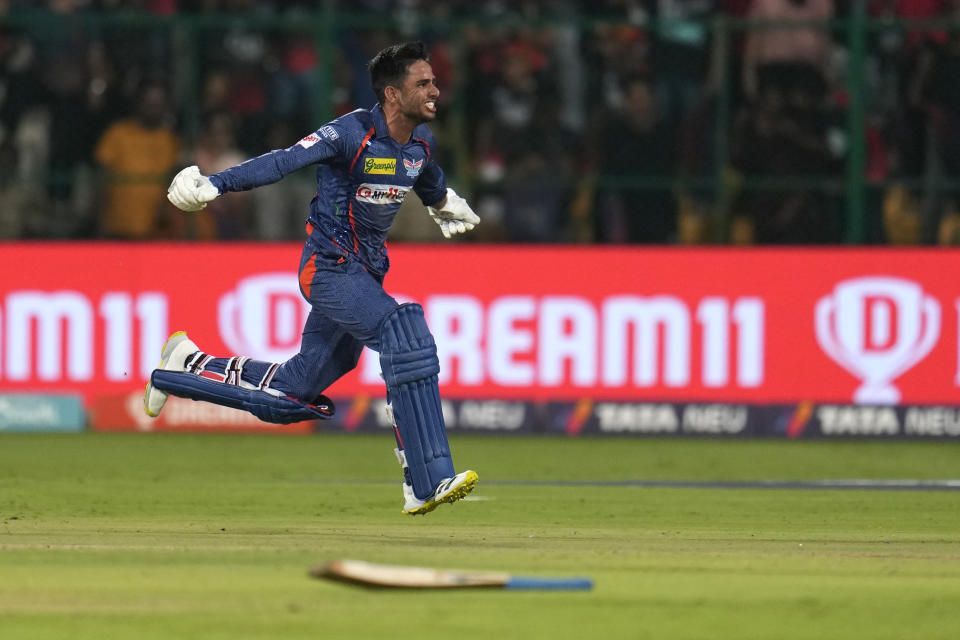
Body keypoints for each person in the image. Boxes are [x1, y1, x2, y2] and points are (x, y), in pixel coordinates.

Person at [144, 42, 480, 516]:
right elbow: (282, 160)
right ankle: (424, 480)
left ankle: (183, 366)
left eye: (434, 82)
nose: (435, 90)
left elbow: (427, 178)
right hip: (328, 269)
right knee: (405, 330)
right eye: (422, 83)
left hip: (365, 276)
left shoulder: (420, 145)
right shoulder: (350, 132)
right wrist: (216, 184)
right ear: (391, 93)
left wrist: (444, 202)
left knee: (294, 395)